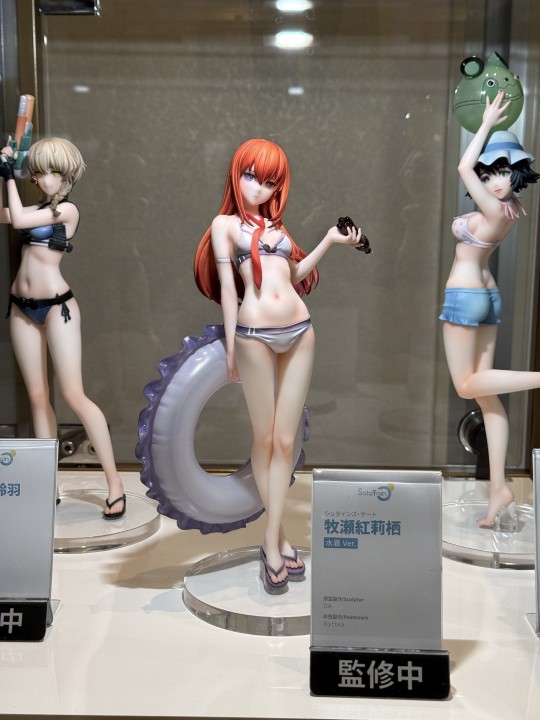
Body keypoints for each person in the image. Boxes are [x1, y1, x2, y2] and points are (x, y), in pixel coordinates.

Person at [194, 138, 363, 593]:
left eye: (269, 182)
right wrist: (231, 344)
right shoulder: (224, 225)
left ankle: (272, 538)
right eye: (251, 176)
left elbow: (295, 274)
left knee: (287, 440)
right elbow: (228, 288)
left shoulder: (277, 228)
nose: (258, 187)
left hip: (300, 330)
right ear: (236, 174)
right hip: (253, 334)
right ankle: (276, 539)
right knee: (265, 438)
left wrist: (329, 240)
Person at [0, 137, 125, 518]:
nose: (44, 179)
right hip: (21, 308)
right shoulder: (35, 208)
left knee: (74, 394)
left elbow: (18, 220)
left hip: (58, 308)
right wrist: (5, 167)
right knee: (37, 397)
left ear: (67, 175)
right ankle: (47, 485)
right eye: (38, 172)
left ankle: (115, 485)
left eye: (52, 171)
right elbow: (7, 214)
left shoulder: (67, 210)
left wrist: (8, 177)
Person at [440, 91, 539, 530]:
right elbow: (471, 171)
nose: (497, 181)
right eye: (490, 173)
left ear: (516, 172)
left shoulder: (496, 208)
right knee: (486, 395)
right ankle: (499, 487)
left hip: (466, 296)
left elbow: (463, 167)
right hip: (488, 295)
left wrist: (484, 123)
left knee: (466, 386)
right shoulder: (511, 209)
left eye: (503, 171)